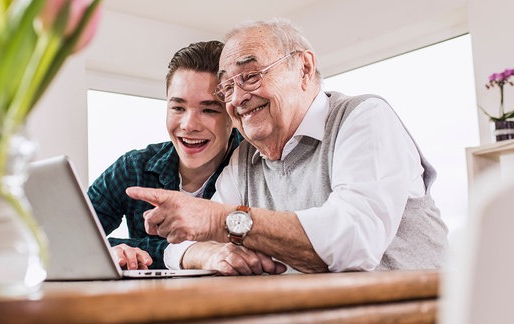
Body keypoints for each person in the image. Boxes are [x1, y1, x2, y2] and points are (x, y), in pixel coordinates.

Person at [126, 18, 449, 273]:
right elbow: (185, 244)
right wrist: (205, 251)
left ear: (304, 68)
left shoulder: (364, 118)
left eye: (251, 75)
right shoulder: (244, 158)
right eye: (227, 87)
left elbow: (354, 239)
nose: (237, 98)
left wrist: (218, 221)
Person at [88, 40, 284, 274]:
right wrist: (114, 250)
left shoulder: (259, 167)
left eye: (209, 110)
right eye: (178, 108)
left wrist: (148, 251)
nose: (189, 125)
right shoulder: (133, 168)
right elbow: (63, 238)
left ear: (232, 115)